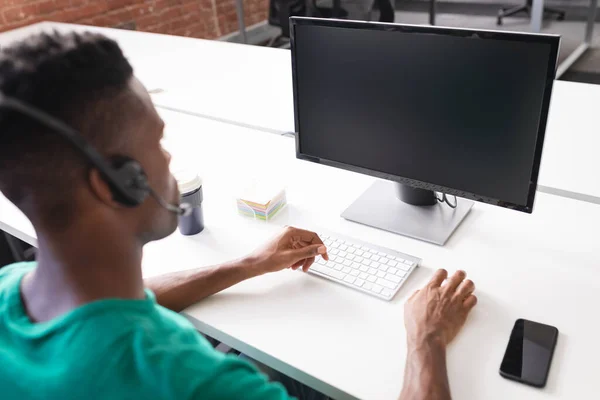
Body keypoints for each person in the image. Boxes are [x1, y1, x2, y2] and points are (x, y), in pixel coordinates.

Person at [0, 32, 476, 400]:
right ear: (121, 183)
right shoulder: (194, 382)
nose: (169, 160)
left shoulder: (12, 289)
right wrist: (426, 340)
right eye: (158, 143)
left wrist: (247, 266)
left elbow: (110, 312)